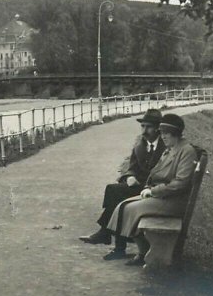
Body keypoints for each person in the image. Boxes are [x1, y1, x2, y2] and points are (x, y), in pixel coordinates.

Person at [103, 113, 201, 266]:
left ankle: (145, 253)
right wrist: (149, 187)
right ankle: (142, 251)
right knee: (123, 205)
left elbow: (181, 183)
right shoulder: (171, 148)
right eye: (161, 133)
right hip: (164, 197)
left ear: (174, 133)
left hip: (174, 201)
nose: (162, 136)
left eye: (165, 133)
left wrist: (154, 191)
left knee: (129, 209)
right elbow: (156, 173)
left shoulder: (186, 151)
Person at [78, 108, 165, 246]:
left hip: (153, 189)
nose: (144, 131)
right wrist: (130, 176)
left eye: (148, 127)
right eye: (142, 126)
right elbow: (131, 168)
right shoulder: (140, 146)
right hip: (138, 186)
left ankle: (109, 238)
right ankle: (108, 237)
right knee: (113, 190)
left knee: (118, 196)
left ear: (157, 129)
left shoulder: (165, 146)